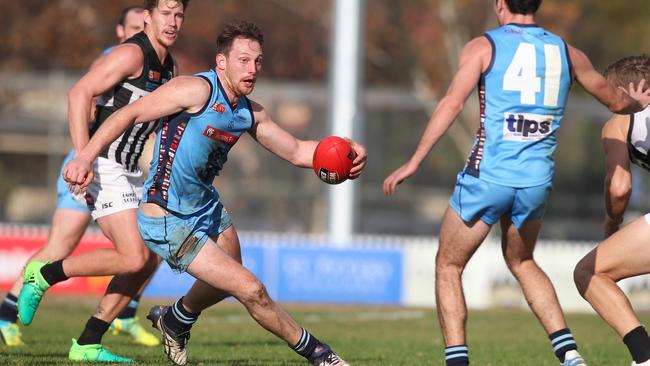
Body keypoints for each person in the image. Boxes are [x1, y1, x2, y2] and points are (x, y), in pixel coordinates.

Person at [63, 19, 366, 366]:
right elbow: (129, 113)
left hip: (206, 206)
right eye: (243, 60)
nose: (252, 69)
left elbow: (299, 151)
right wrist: (84, 155)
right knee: (251, 288)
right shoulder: (196, 90)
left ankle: (175, 319)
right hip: (167, 217)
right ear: (221, 62)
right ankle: (321, 355)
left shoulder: (249, 113)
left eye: (257, 61)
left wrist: (348, 149)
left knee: (226, 281)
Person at [382, 1, 650, 365]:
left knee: (448, 265)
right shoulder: (567, 53)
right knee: (522, 261)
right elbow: (614, 99)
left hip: (489, 174)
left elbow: (451, 103)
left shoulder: (483, 46)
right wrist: (635, 104)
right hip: (536, 180)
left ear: (500, 4)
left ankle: (457, 362)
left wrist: (414, 160)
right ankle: (570, 355)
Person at [17, 0, 188, 362]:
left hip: (130, 171)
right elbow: (79, 93)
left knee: (147, 256)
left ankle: (88, 342)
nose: (172, 21)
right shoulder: (131, 54)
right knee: (132, 256)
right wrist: (83, 156)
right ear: (148, 17)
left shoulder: (170, 67)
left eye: (179, 15)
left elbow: (152, 125)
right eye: (166, 13)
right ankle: (43, 275)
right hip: (105, 164)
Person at [574, 55, 650, 366]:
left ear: (628, 90)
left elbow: (619, 187)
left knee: (589, 272)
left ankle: (645, 357)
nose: (607, 101)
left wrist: (611, 224)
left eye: (608, 93)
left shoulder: (621, 119)